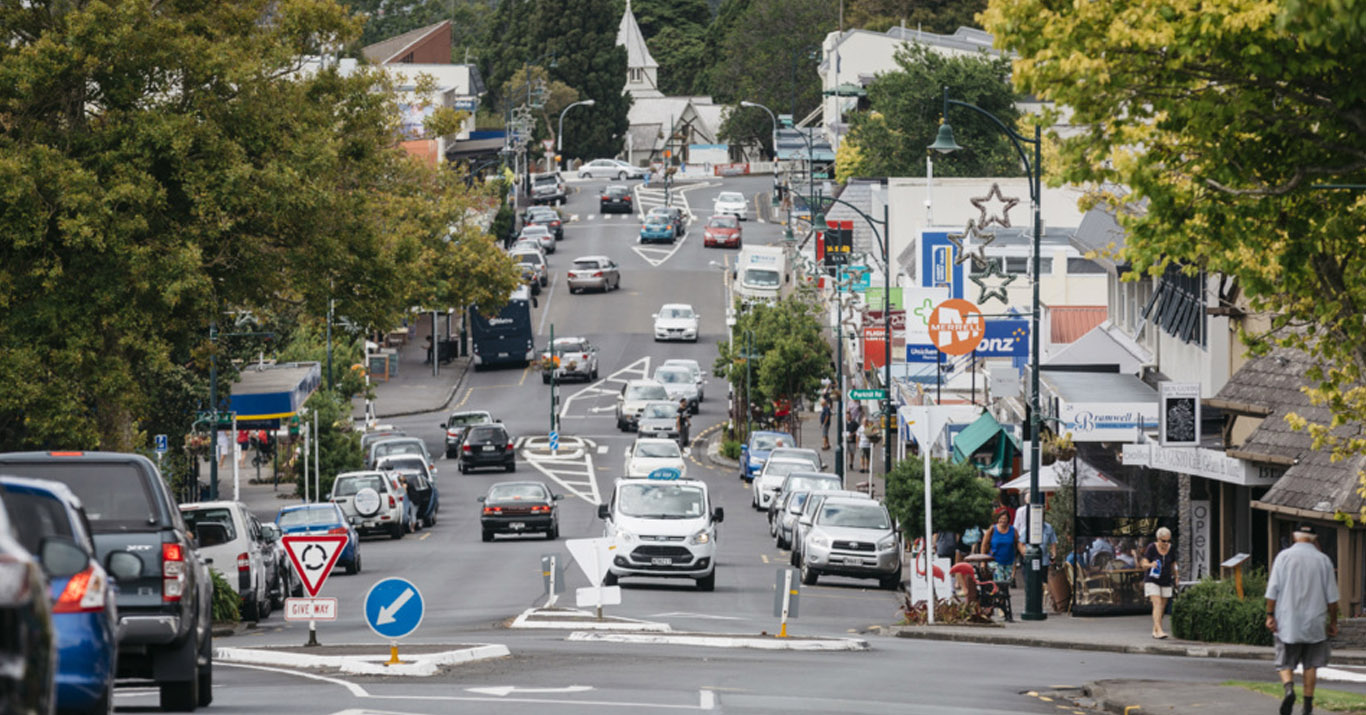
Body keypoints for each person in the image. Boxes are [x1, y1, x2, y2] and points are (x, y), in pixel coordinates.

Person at [1266, 524, 1339, 715]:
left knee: (1284, 662)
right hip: (1314, 623)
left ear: (1294, 536)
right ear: (1314, 538)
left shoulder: (1283, 557)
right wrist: (1333, 622)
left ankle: (1289, 689)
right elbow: (1332, 599)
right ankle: (1307, 706)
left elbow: (1272, 592)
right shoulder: (1324, 561)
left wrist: (1270, 615)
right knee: (1311, 664)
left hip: (1287, 620)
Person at [1139, 527, 1179, 640]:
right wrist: (1151, 565)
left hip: (1165, 580)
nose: (1166, 543)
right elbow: (1143, 563)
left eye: (1168, 541)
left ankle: (1155, 629)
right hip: (1152, 579)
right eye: (1163, 541)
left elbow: (1174, 564)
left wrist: (1177, 576)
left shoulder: (1171, 549)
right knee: (1157, 604)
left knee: (1162, 607)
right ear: (1158, 539)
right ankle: (1160, 630)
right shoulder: (1152, 547)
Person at [980, 509, 1019, 595]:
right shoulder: (992, 529)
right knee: (999, 583)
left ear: (1008, 520)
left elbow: (1017, 544)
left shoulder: (1013, 530)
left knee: (1006, 585)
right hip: (995, 561)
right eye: (1001, 518)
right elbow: (984, 545)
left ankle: (1002, 602)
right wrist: (983, 562)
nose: (1003, 521)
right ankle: (1000, 603)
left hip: (1009, 561)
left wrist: (1017, 558)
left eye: (1005, 519)